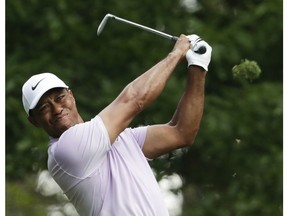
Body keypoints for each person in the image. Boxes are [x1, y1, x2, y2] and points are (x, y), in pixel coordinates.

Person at [22, 34, 212, 216]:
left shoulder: (123, 138)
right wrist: (176, 53)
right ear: (34, 121)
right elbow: (133, 100)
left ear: (71, 95)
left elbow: (181, 133)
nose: (57, 109)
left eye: (60, 97)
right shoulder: (64, 150)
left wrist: (198, 66)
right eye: (44, 108)